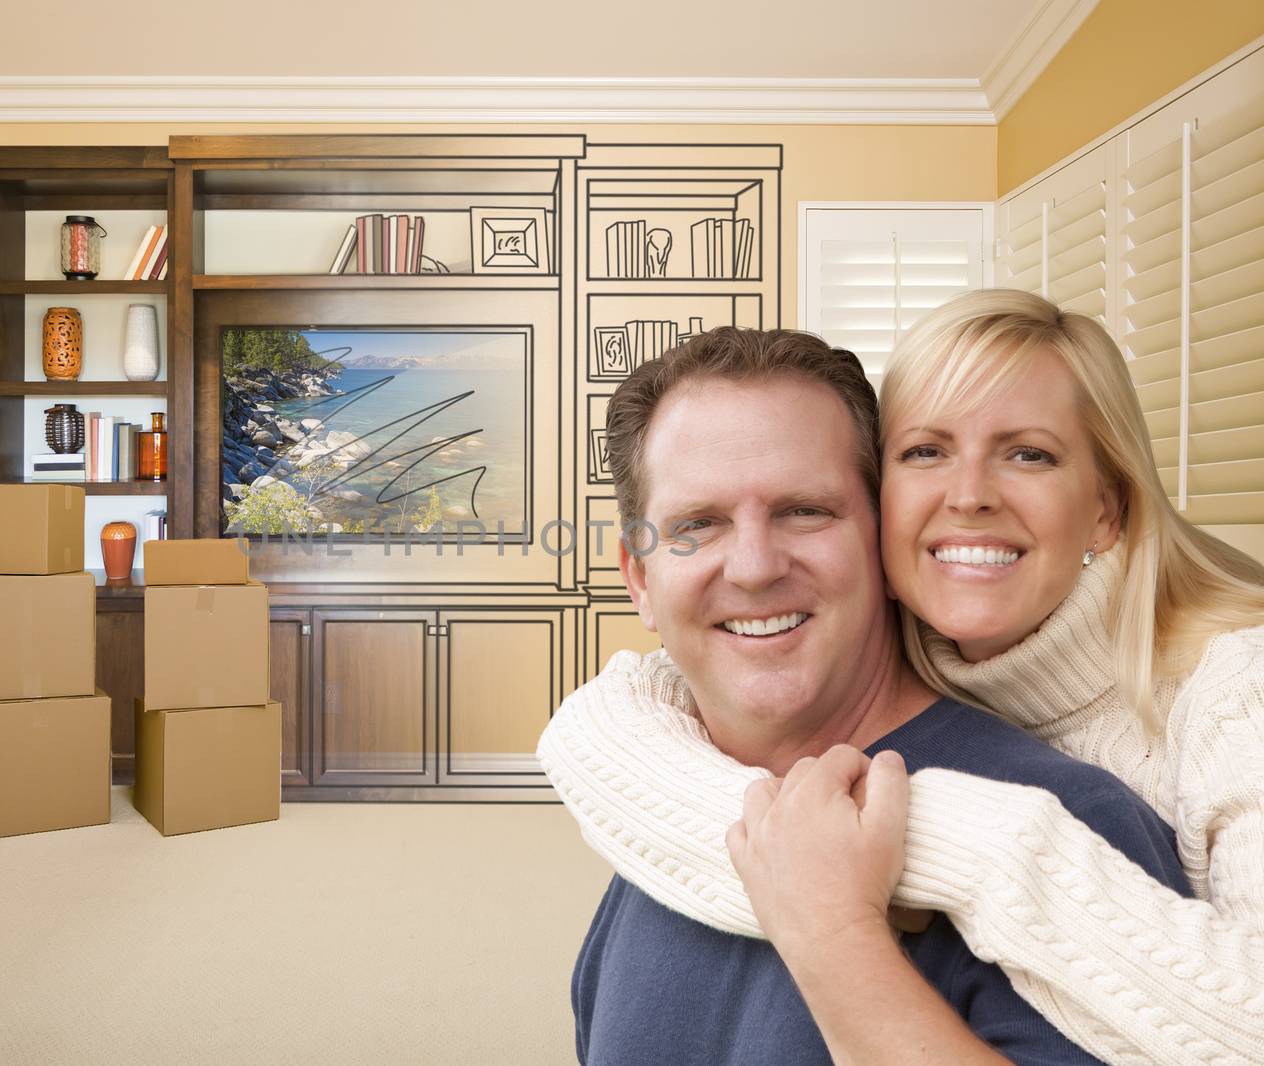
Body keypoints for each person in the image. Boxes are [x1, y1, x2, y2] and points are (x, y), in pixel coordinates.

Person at [541, 290, 1264, 1064]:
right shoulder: (664, 812)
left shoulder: (1093, 812)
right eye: (697, 525)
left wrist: (848, 923)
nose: (753, 567)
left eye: (804, 512)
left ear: (878, 542)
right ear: (639, 579)